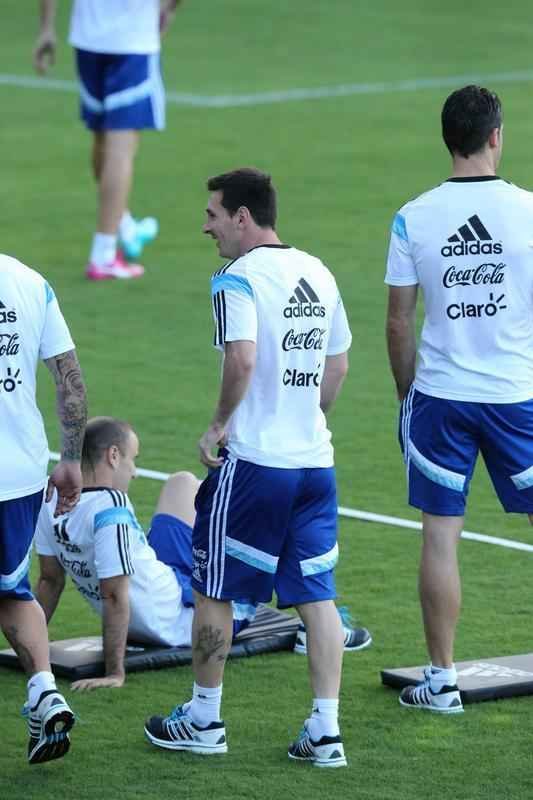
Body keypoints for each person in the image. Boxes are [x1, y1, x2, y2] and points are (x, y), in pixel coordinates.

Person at [144, 168, 353, 768]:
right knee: (317, 596)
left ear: (242, 217)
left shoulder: (236, 279)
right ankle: (325, 731)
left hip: (257, 466)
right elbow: (336, 367)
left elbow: (241, 359)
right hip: (316, 464)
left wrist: (217, 426)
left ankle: (205, 718)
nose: (205, 226)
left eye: (213, 214)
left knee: (214, 588)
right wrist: (303, 419)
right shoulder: (319, 270)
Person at [385, 84, 533, 714]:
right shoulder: (529, 211)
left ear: (448, 139)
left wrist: (407, 396)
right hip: (517, 395)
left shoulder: (413, 216)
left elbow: (398, 322)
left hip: (441, 397)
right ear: (496, 136)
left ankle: (441, 681)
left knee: (440, 535)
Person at [34, 417, 368, 692]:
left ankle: (313, 618)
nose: (134, 472)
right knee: (271, 519)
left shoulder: (50, 503)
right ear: (113, 456)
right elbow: (115, 596)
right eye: (132, 460)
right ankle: (321, 625)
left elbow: (50, 581)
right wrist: (114, 673)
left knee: (181, 482)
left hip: (166, 580)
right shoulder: (112, 509)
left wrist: (30, 650)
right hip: (181, 615)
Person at [0, 253, 87, 763]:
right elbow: (69, 380)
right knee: (11, 588)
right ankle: (43, 689)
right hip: (20, 472)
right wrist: (72, 458)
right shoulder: (32, 283)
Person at [33, 0, 182, 280]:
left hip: (88, 38)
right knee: (122, 148)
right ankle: (103, 255)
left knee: (102, 137)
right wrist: (168, 10)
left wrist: (47, 28)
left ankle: (124, 226)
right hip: (132, 42)